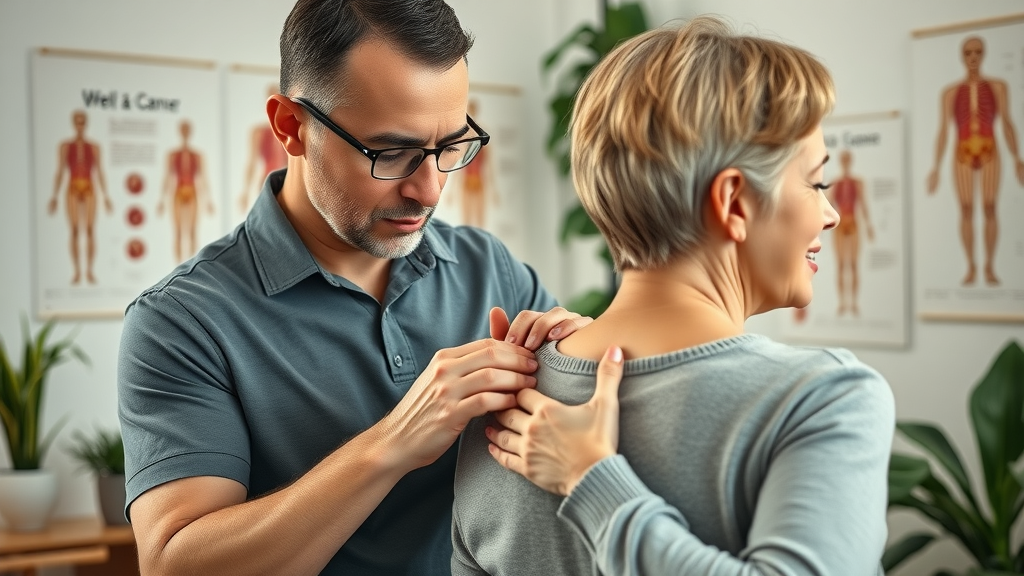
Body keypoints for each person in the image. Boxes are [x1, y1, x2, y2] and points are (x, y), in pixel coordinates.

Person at [117, 2, 587, 575]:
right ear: (290, 126)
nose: (430, 189)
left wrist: (586, 364)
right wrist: (392, 443)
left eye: (449, 147)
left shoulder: (492, 269)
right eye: (392, 152)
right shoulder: (181, 322)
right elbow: (176, 566)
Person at [453, 16, 895, 575]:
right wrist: (595, 486)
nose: (830, 215)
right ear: (734, 203)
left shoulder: (503, 400)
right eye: (815, 183)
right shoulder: (822, 399)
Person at [926, 36, 1024, 286]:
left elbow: (1007, 123)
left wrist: (1017, 158)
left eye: (978, 52)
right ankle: (971, 266)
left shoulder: (998, 87)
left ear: (984, 55)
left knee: (990, 206)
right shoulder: (950, 93)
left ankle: (990, 266)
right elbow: (943, 131)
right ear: (962, 56)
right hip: (962, 151)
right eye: (968, 53)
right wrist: (935, 167)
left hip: (991, 147)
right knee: (966, 208)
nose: (973, 58)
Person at [48, 109, 113, 284]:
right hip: (72, 187)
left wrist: (106, 196)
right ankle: (77, 271)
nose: (80, 125)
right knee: (75, 230)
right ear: (73, 124)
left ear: (86, 124)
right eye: (77, 122)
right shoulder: (65, 146)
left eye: (82, 122)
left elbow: (100, 172)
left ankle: (90, 271)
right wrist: (54, 196)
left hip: (90, 187)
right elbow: (60, 171)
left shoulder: (94, 147)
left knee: (90, 229)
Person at [157, 119, 214, 263]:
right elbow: (167, 178)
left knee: (193, 231)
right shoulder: (172, 155)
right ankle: (177, 268)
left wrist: (208, 200)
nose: (185, 132)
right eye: (183, 129)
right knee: (177, 231)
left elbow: (203, 178)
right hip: (178, 191)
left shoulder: (197, 155)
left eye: (187, 129)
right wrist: (161, 200)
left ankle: (191, 269)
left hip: (193, 191)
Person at [830, 149, 873, 316]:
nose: (845, 162)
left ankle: (854, 303)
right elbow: (827, 205)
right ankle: (842, 303)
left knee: (853, 265)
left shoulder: (858, 182)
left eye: (848, 159)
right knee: (841, 265)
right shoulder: (835, 183)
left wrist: (869, 226)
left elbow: (863, 204)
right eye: (843, 159)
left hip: (853, 223)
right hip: (840, 225)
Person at [238, 83, 290, 213]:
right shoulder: (258, 132)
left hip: (288, 181)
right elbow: (252, 162)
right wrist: (245, 191)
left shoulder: (290, 131)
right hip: (265, 181)